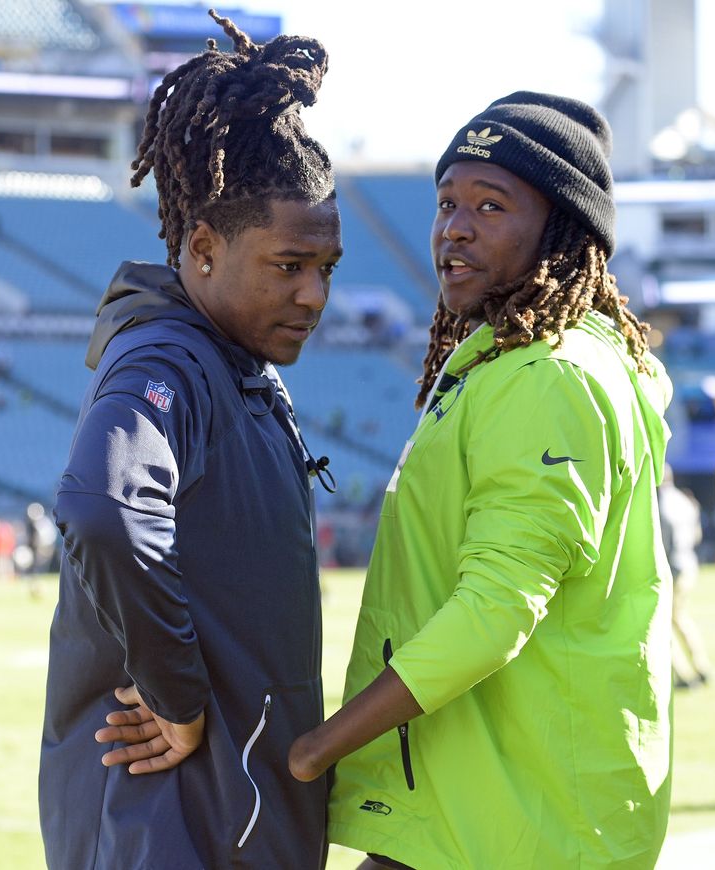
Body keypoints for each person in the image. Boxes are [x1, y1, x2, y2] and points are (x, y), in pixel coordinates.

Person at [290, 92, 674, 869]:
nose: (453, 228)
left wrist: (316, 749)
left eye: (490, 206)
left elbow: (496, 610)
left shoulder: (551, 380)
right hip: (473, 803)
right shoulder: (505, 365)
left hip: (521, 821)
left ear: (562, 233)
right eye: (446, 203)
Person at [39, 11, 341, 869]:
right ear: (202, 248)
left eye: (328, 267)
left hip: (231, 821)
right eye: (290, 265)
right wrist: (177, 696)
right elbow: (103, 508)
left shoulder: (235, 363)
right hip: (171, 830)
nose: (315, 294)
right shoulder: (167, 356)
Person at [658, 464, 712, 688]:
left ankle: (682, 675)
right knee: (681, 619)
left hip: (671, 568)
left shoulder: (658, 504)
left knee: (662, 622)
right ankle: (701, 666)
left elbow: (661, 542)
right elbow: (697, 535)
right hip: (689, 563)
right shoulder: (685, 500)